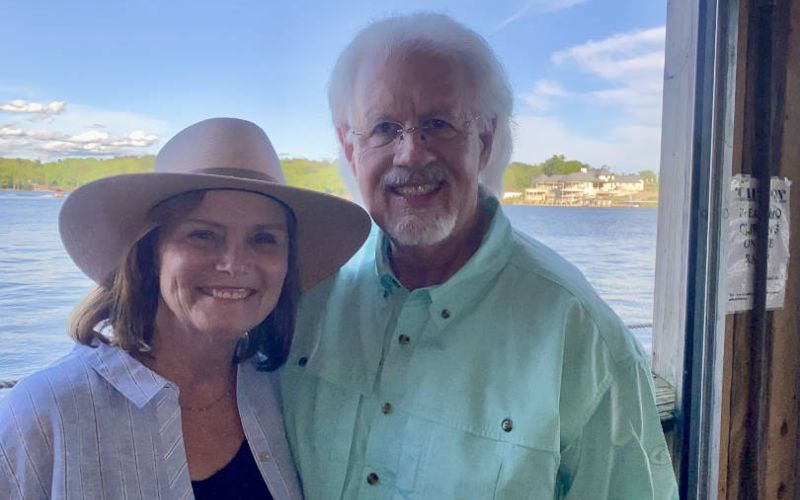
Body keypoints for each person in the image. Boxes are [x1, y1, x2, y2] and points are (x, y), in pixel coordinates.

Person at [280, 14, 679, 499]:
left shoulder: (581, 334)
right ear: (350, 147)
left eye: (438, 124)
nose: (411, 154)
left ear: (485, 140)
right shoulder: (310, 297)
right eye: (384, 128)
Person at [0, 117, 370, 499]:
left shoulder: (285, 395)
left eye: (263, 238)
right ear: (150, 254)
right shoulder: (46, 414)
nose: (234, 264)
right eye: (202, 234)